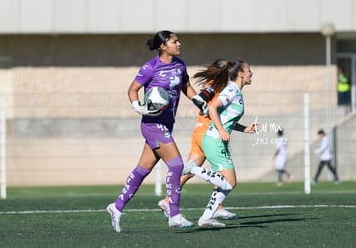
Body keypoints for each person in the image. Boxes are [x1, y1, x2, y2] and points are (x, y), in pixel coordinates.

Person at [106, 30, 208, 232]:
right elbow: (132, 89)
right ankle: (174, 214)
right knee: (177, 164)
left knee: (143, 169)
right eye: (174, 41)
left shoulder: (180, 64)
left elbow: (186, 85)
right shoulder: (150, 68)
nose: (179, 44)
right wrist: (138, 107)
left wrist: (197, 100)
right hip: (153, 124)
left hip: (167, 124)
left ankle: (116, 207)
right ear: (163, 46)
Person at [157, 59, 258, 220]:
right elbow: (209, 104)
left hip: (202, 131)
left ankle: (170, 200)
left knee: (212, 173)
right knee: (223, 176)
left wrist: (244, 129)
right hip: (208, 132)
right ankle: (213, 208)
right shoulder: (219, 85)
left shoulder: (221, 85)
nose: (229, 69)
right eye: (227, 67)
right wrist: (219, 127)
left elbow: (223, 113)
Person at [183, 59, 253, 227]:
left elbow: (226, 118)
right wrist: (221, 130)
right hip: (214, 140)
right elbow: (213, 107)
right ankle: (193, 169)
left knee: (226, 184)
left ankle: (206, 218)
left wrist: (245, 129)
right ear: (241, 74)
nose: (252, 73)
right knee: (229, 182)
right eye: (249, 70)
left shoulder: (236, 91)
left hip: (215, 140)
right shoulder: (232, 89)